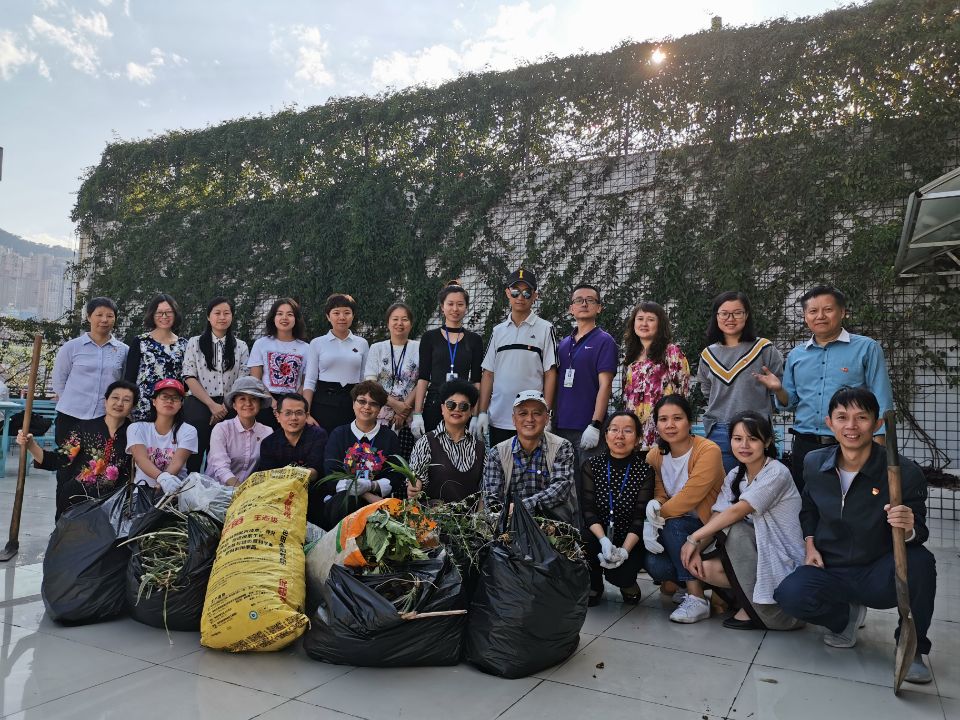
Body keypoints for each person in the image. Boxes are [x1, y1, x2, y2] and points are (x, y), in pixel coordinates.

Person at [774, 387, 935, 685]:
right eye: (842, 417)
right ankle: (843, 618)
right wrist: (810, 543)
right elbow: (809, 509)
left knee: (922, 562)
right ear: (829, 423)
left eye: (861, 417)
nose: (851, 426)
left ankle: (913, 648)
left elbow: (920, 531)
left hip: (879, 570)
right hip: (832, 568)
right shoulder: (814, 463)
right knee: (790, 594)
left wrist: (909, 527)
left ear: (876, 424)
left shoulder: (902, 472)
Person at [754, 285, 894, 490]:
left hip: (850, 442)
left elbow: (882, 398)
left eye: (828, 309)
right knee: (806, 501)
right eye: (813, 311)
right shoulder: (796, 355)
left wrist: (878, 446)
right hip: (805, 445)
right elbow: (789, 403)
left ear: (842, 312)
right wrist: (778, 390)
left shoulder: (866, 348)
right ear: (805, 317)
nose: (820, 316)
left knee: (851, 500)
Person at [679, 411, 805, 631]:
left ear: (767, 442)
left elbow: (737, 511)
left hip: (782, 560)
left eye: (752, 439)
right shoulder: (735, 474)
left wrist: (694, 537)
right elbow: (718, 514)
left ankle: (758, 608)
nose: (744, 445)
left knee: (735, 528)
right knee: (702, 567)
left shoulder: (777, 472)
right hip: (757, 553)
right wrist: (695, 547)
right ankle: (747, 599)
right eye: (738, 439)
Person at [643, 395, 725, 623]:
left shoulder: (708, 450)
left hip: (709, 528)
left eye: (677, 418)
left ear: (690, 421)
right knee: (654, 564)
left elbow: (690, 497)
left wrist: (654, 518)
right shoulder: (655, 455)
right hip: (676, 529)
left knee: (674, 525)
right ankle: (686, 581)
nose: (670, 425)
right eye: (663, 419)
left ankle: (696, 597)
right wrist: (656, 505)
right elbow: (660, 493)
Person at [17, 380, 138, 519]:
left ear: (133, 406)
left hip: (114, 508)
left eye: (126, 400)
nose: (119, 403)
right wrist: (31, 445)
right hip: (76, 502)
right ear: (105, 401)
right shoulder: (84, 428)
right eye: (115, 397)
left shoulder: (136, 434)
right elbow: (59, 460)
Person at [696, 291, 784, 473]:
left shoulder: (764, 349)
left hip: (756, 430)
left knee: (758, 484)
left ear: (747, 315)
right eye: (724, 313)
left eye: (737, 313)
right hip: (719, 431)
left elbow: (785, 399)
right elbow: (707, 390)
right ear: (716, 316)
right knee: (722, 485)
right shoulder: (708, 354)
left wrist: (778, 389)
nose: (730, 318)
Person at [476, 269, 558, 447]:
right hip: (499, 417)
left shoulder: (545, 329)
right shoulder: (498, 331)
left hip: (532, 420)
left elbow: (550, 373)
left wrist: (547, 414)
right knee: (501, 464)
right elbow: (488, 373)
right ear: (507, 293)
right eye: (515, 292)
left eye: (527, 292)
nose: (520, 297)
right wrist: (482, 412)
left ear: (535, 295)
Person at [580, 411, 654, 606]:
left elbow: (639, 517)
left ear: (637, 438)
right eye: (614, 430)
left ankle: (626, 582)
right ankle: (594, 584)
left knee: (621, 575)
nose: (620, 436)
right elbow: (588, 510)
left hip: (629, 538)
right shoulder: (591, 465)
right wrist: (604, 540)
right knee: (584, 539)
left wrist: (624, 551)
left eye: (627, 431)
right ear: (605, 435)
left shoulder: (645, 471)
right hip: (598, 534)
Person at [555, 283, 618, 495]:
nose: (584, 304)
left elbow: (605, 385)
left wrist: (596, 424)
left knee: (588, 490)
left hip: (587, 429)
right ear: (571, 308)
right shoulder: (563, 344)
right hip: (561, 428)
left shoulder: (605, 341)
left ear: (599, 308)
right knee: (563, 489)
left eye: (590, 300)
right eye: (578, 300)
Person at [481, 389, 576, 523]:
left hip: (549, 521)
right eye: (523, 413)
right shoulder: (497, 453)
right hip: (511, 522)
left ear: (546, 418)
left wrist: (521, 508)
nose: (530, 419)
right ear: (514, 419)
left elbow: (560, 489)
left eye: (536, 413)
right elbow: (491, 500)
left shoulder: (562, 446)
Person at [319, 381, 404, 529]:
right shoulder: (339, 434)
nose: (367, 407)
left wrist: (372, 485)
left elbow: (395, 476)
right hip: (343, 502)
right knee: (347, 503)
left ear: (380, 409)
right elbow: (331, 475)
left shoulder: (389, 437)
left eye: (373, 403)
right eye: (362, 401)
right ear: (353, 404)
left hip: (378, 502)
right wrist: (365, 493)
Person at [181, 297, 250, 472]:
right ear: (208, 316)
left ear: (232, 316)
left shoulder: (241, 346)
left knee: (223, 455)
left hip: (230, 405)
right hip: (199, 403)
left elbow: (242, 380)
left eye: (226, 313)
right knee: (194, 453)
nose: (222, 317)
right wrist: (212, 406)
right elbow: (189, 376)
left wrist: (224, 407)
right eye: (217, 313)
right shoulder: (194, 343)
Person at [51, 297, 128, 445]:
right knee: (67, 457)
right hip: (71, 415)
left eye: (110, 316)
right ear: (88, 317)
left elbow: (124, 383)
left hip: (105, 417)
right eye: (99, 315)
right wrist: (73, 401)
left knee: (100, 459)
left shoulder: (123, 350)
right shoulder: (71, 347)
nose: (104, 320)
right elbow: (59, 380)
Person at [411, 281, 483, 437]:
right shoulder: (430, 337)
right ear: (442, 307)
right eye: (450, 304)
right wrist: (417, 414)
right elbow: (423, 377)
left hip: (462, 406)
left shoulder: (475, 340)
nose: (455, 309)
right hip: (434, 403)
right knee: (433, 447)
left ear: (466, 307)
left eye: (460, 304)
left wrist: (476, 415)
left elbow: (477, 381)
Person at [622, 301, 690, 450]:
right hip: (635, 432)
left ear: (660, 324)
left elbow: (681, 393)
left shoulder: (671, 352)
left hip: (662, 430)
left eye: (651, 319)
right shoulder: (631, 356)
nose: (644, 323)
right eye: (640, 319)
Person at [255, 393, 329, 524]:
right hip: (279, 497)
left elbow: (315, 472)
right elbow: (269, 478)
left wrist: (286, 475)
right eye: (288, 413)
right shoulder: (268, 443)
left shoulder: (318, 435)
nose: (293, 418)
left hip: (312, 495)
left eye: (299, 413)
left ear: (306, 416)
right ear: (278, 416)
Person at [408, 379, 485, 502]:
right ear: (442, 408)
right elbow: (415, 479)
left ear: (471, 411)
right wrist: (414, 487)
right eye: (451, 404)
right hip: (431, 513)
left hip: (470, 514)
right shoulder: (426, 442)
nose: (457, 409)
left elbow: (484, 493)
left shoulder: (481, 448)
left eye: (463, 406)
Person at [303, 294, 369, 434]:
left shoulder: (362, 343)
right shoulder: (317, 343)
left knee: (351, 444)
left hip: (353, 405)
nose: (342, 317)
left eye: (347, 313)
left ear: (353, 315)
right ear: (328, 316)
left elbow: (364, 379)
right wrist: (306, 413)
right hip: (323, 404)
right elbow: (310, 380)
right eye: (336, 313)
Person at [364, 302, 420, 457]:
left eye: (404, 319)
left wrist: (403, 411)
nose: (399, 323)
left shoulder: (419, 347)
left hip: (409, 415)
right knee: (377, 459)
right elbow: (371, 382)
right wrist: (395, 405)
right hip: (380, 413)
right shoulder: (377, 348)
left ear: (411, 324)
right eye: (395, 319)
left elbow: (423, 381)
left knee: (405, 461)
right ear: (388, 322)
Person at [126, 378, 198, 493]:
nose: (169, 401)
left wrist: (161, 485)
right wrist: (163, 478)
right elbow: (141, 459)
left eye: (175, 398)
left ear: (181, 404)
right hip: (142, 493)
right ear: (154, 401)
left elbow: (177, 463)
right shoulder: (137, 428)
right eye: (164, 396)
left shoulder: (188, 430)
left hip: (174, 493)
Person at [125, 294, 189, 422]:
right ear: (152, 315)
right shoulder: (140, 341)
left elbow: (186, 381)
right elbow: (129, 378)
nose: (164, 316)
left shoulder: (184, 344)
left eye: (168, 312)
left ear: (175, 314)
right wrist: (127, 406)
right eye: (159, 313)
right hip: (144, 407)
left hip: (172, 407)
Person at [247, 297, 310, 428]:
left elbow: (306, 382)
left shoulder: (306, 348)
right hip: (266, 403)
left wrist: (290, 403)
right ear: (273, 318)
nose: (284, 318)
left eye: (290, 314)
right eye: (280, 314)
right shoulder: (261, 344)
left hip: (293, 405)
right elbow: (255, 380)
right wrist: (274, 404)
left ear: (296, 319)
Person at [205, 376, 274, 486]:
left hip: (248, 490)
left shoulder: (267, 432)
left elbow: (267, 469)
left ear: (260, 404)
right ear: (234, 405)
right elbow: (221, 468)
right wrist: (240, 491)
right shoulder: (221, 429)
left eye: (253, 399)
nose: (248, 403)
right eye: (242, 399)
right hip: (216, 489)